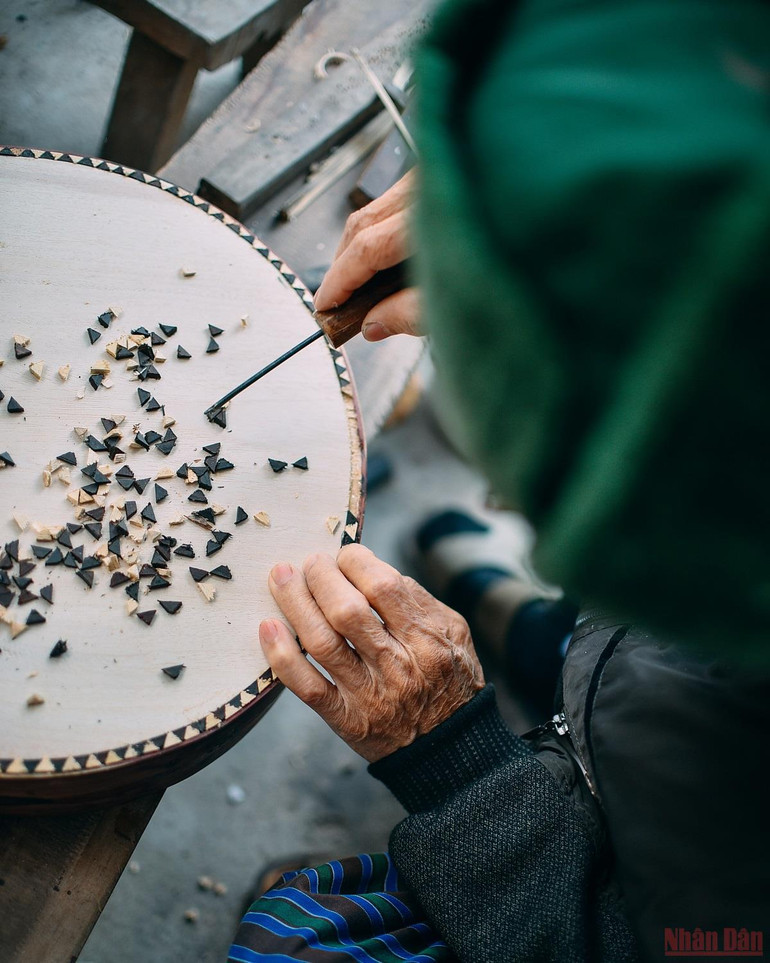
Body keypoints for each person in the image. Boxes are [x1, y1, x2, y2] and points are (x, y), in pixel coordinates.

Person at [228, 0, 770, 959]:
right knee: (595, 652)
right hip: (642, 686)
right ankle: (520, 620)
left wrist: (463, 769)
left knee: (294, 939)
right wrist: (545, 193)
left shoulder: (723, 857)